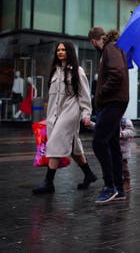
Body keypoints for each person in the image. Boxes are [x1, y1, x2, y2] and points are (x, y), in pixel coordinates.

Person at [32, 41, 98, 195]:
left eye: (63, 50)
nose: (60, 52)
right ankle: (89, 174)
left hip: (70, 112)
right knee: (73, 146)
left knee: (55, 142)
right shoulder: (55, 71)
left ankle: (49, 182)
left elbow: (84, 95)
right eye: (58, 50)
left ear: (69, 52)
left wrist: (86, 114)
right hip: (55, 114)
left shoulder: (77, 71)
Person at [88, 27, 130, 204]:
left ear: (93, 41)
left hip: (113, 102)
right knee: (112, 144)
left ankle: (109, 186)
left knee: (99, 142)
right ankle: (119, 189)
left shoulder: (109, 49)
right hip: (115, 101)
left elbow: (117, 73)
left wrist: (102, 93)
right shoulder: (114, 47)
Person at [120, 116, 135, 192]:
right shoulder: (108, 118)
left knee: (124, 168)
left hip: (123, 151)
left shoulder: (125, 121)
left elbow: (131, 132)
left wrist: (122, 134)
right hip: (111, 149)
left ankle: (127, 183)